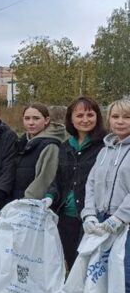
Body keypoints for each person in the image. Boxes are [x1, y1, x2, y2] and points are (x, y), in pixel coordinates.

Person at [80, 98, 130, 293]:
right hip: (102, 222)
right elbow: (91, 184)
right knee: (106, 279)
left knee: (126, 281)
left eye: (127, 117)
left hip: (125, 226)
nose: (120, 122)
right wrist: (89, 214)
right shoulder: (105, 150)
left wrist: (119, 218)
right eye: (116, 117)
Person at [46, 97, 105, 270]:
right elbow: (59, 179)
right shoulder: (65, 146)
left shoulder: (105, 146)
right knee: (71, 265)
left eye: (90, 115)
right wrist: (49, 196)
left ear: (97, 117)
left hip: (92, 217)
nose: (85, 120)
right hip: (67, 216)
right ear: (71, 119)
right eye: (79, 115)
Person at [12, 103, 65, 200]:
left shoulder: (51, 146)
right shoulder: (21, 142)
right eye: (27, 118)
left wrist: (26, 201)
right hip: (15, 201)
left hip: (31, 203)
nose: (31, 122)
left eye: (36, 118)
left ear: (46, 120)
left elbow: (45, 180)